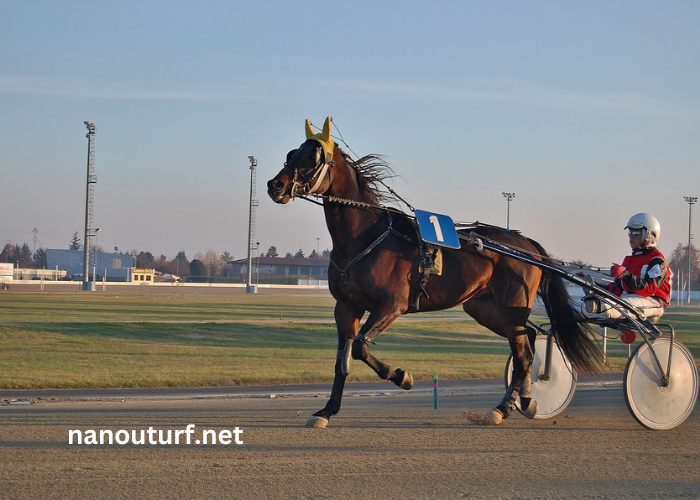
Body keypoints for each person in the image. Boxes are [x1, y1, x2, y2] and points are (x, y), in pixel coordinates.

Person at [583, 213, 671, 320]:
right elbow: (615, 291)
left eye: (636, 232)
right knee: (580, 305)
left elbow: (649, 289)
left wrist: (624, 275)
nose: (631, 235)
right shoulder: (629, 261)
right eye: (630, 231)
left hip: (653, 301)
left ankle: (597, 306)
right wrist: (591, 285)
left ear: (649, 235)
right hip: (631, 299)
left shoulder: (657, 260)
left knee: (614, 305)